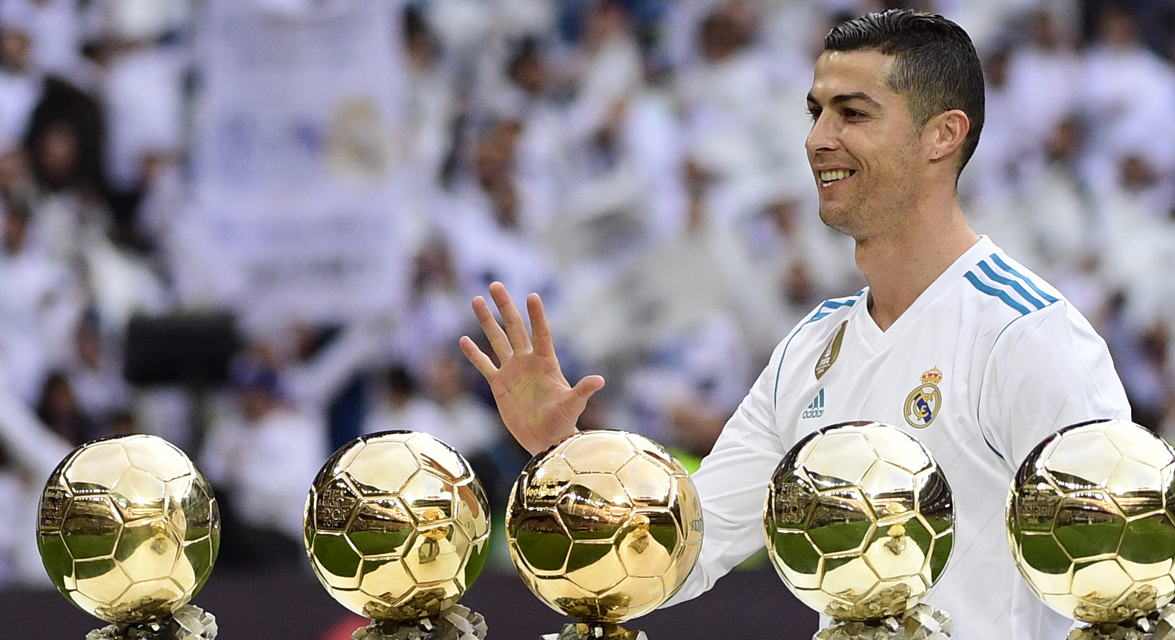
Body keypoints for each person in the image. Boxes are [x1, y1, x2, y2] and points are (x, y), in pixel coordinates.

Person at [459, 10, 1129, 640]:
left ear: (943, 135)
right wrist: (563, 454)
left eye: (852, 114)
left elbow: (1121, 586)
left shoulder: (1027, 335)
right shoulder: (810, 348)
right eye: (815, 113)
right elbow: (687, 547)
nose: (816, 140)